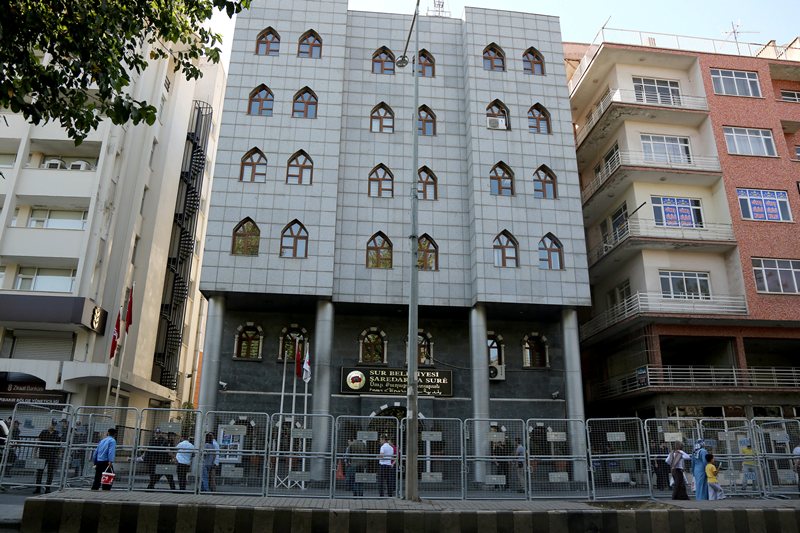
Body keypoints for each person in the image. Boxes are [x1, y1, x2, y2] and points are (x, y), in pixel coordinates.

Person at [33, 423, 61, 494]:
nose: (53, 426)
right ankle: (38, 488)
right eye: (52, 424)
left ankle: (48, 488)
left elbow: (59, 444)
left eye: (54, 425)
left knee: (50, 472)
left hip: (52, 455)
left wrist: (59, 454)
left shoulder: (57, 433)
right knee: (39, 471)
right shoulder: (43, 432)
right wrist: (35, 452)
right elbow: (38, 442)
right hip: (43, 454)